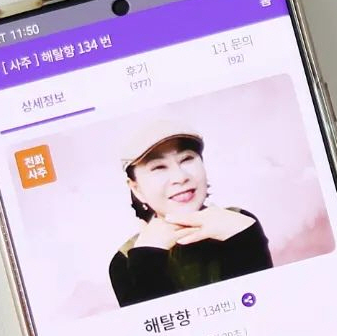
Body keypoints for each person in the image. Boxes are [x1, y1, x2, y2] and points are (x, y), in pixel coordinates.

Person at [109, 124, 272, 307]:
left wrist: (244, 239)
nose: (180, 177)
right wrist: (147, 259)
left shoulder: (239, 221)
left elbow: (262, 309)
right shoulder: (125, 259)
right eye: (158, 167)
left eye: (187, 159)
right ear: (136, 189)